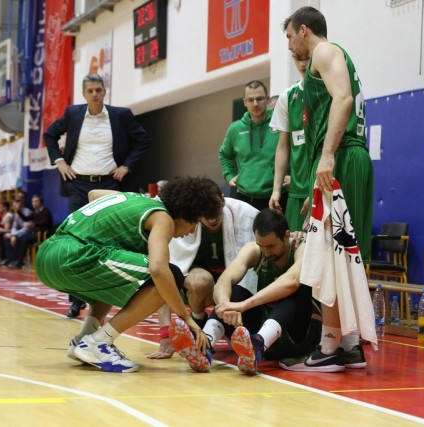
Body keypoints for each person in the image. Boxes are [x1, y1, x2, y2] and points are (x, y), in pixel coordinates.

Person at [35, 176, 222, 373]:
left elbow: (93, 194)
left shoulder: (137, 199)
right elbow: (158, 270)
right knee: (170, 276)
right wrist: (187, 318)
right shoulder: (163, 218)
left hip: (47, 256)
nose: (192, 230)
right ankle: (98, 342)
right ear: (185, 215)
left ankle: (84, 338)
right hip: (72, 257)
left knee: (111, 273)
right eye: (195, 223)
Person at [277, 7, 375, 372]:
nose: (289, 45)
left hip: (344, 155)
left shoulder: (323, 50)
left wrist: (327, 156)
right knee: (345, 251)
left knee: (329, 251)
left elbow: (343, 99)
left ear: (304, 30)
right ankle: (350, 344)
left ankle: (330, 344)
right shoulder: (331, 57)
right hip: (351, 157)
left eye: (289, 36)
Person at [43, 73, 151, 318]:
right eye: (90, 91)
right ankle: (75, 300)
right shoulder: (73, 113)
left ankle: (107, 294)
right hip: (78, 184)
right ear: (84, 94)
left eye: (98, 90)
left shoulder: (120, 115)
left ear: (104, 92)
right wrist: (59, 161)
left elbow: (143, 140)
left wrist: (126, 166)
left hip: (109, 183)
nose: (94, 94)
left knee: (106, 240)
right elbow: (50, 135)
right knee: (74, 239)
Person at [170, 208, 318, 375]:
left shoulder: (302, 247)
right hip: (268, 330)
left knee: (293, 295)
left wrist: (244, 305)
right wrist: (226, 306)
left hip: (297, 333)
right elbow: (224, 280)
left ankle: (257, 346)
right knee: (235, 292)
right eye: (262, 246)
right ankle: (205, 346)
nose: (267, 252)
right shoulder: (254, 250)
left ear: (286, 235)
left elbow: (291, 282)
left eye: (271, 246)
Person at [149, 180, 259, 359]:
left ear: (223, 200)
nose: (212, 219)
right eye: (205, 215)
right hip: (202, 289)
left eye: (215, 211)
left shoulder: (247, 215)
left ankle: (215, 331)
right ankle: (200, 321)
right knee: (198, 281)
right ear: (197, 213)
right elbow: (163, 277)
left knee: (241, 339)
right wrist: (164, 337)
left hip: (236, 289)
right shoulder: (183, 222)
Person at [218, 80, 285, 211]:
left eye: (259, 99)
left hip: (278, 196)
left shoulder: (281, 123)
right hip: (245, 197)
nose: (255, 104)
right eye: (250, 100)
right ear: (244, 102)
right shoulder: (235, 129)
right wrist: (229, 175)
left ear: (267, 99)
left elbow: (297, 152)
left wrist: (293, 178)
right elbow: (224, 154)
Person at [269, 54, 311, 232]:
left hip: (323, 188)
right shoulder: (287, 97)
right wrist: (276, 190)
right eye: (297, 58)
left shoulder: (330, 91)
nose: (302, 63)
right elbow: (283, 146)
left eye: (307, 57)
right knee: (295, 250)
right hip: (296, 192)